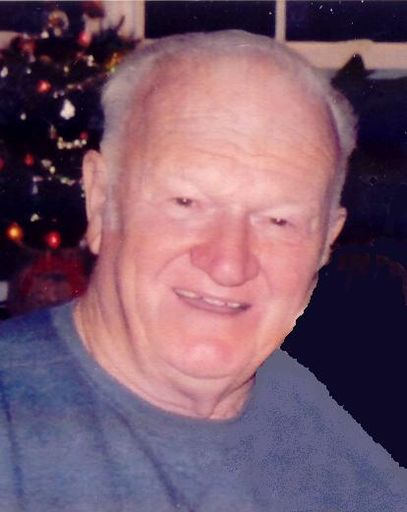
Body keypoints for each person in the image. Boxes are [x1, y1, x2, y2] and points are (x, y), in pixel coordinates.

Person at [0, 30, 406, 511]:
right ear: (102, 199)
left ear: (326, 242)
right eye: (186, 202)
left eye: (278, 220)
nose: (229, 263)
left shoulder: (353, 464)